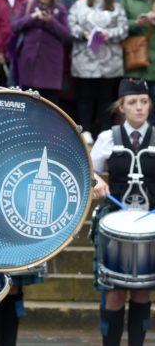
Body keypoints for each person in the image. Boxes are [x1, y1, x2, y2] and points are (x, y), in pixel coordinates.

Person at [91, 78, 153, 346]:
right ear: (122, 107)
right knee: (115, 292)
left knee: (143, 293)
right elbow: (87, 171)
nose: (139, 107)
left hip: (150, 223)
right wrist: (97, 182)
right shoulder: (107, 138)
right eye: (132, 102)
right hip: (115, 224)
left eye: (144, 102)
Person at [68, 0, 129, 144]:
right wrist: (83, 33)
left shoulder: (116, 7)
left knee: (106, 98)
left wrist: (110, 33)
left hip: (109, 61)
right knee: (85, 97)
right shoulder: (79, 5)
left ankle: (105, 132)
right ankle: (85, 130)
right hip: (84, 60)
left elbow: (124, 29)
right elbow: (71, 25)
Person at [10, 0, 69, 102]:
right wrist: (32, 17)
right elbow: (15, 26)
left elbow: (65, 34)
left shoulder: (60, 9)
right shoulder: (27, 5)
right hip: (29, 59)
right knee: (27, 98)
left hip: (50, 61)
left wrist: (51, 21)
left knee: (49, 100)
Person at [121, 0, 155, 119]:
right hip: (134, 55)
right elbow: (120, 23)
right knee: (134, 101)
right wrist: (136, 23)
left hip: (153, 53)